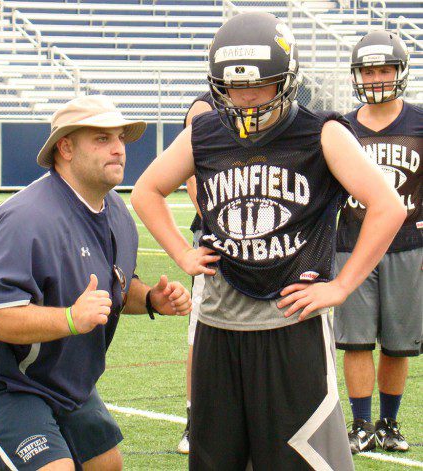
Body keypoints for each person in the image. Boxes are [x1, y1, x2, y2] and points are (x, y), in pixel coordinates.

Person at [131, 12, 406, 471]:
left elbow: (388, 206)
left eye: (260, 84)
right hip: (219, 321)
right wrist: (181, 250)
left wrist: (340, 286)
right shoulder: (205, 131)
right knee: (217, 458)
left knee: (301, 458)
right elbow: (146, 191)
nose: (245, 97)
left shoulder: (322, 133)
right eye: (233, 86)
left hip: (291, 323)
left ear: (288, 79)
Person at [0, 95, 192, 471]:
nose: (119, 149)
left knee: (107, 466)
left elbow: (116, 288)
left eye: (120, 138)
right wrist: (71, 319)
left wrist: (152, 300)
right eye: (102, 139)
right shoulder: (25, 218)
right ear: (66, 147)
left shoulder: (116, 212)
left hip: (63, 379)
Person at [335, 30, 422, 454]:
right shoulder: (341, 127)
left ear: (400, 71)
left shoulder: (421, 122)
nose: (375, 78)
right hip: (352, 243)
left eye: (383, 68)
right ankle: (361, 424)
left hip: (409, 246)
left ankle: (389, 423)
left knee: (398, 342)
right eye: (367, 70)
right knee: (356, 339)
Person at [178, 92, 214, 455]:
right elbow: (191, 172)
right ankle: (195, 419)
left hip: (263, 235)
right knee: (201, 329)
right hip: (217, 234)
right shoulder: (205, 108)